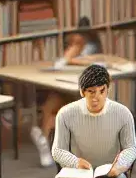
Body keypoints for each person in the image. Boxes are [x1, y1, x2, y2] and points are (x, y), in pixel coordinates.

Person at [32, 19, 103, 168]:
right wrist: (68, 57)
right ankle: (44, 141)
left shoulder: (91, 49)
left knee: (58, 113)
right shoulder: (77, 47)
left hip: (84, 93)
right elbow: (61, 63)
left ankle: (44, 141)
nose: (73, 40)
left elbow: (92, 64)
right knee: (50, 104)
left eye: (77, 38)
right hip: (67, 87)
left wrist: (71, 58)